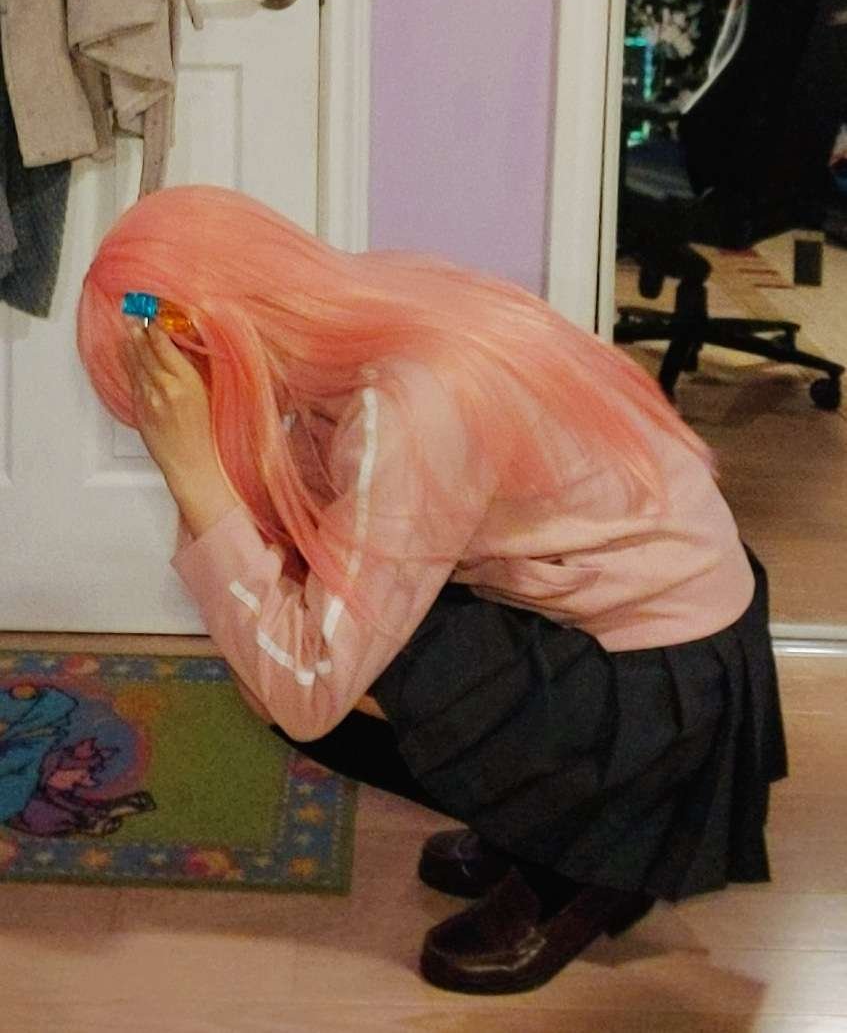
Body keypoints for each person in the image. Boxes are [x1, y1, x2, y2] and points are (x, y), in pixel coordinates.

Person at [77, 184, 787, 995]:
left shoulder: (405, 402)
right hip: (646, 620)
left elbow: (302, 688)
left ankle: (578, 864)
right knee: (294, 624)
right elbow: (289, 534)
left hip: (661, 681)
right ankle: (543, 818)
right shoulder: (359, 316)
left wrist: (192, 470)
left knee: (290, 677)